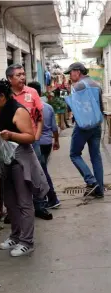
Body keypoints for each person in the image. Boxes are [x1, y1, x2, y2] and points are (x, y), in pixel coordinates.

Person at [0, 79, 49, 257]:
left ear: (2, 96)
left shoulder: (19, 110)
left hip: (20, 161)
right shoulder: (3, 109)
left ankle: (27, 241)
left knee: (24, 202)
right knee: (10, 202)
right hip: (7, 160)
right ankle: (16, 235)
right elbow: (0, 134)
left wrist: (11, 135)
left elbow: (30, 137)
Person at [6, 64, 53, 220]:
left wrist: (37, 135)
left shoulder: (32, 92)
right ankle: (16, 210)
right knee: (15, 176)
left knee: (37, 173)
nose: (22, 77)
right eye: (18, 75)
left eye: (23, 74)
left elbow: (39, 116)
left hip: (31, 142)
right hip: (11, 143)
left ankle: (40, 206)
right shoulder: (5, 95)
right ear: (9, 79)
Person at [64, 62, 104, 198]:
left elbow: (73, 108)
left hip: (83, 126)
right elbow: (100, 106)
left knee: (74, 154)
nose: (70, 75)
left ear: (77, 72)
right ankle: (100, 191)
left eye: (71, 72)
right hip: (97, 125)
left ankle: (91, 181)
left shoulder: (77, 86)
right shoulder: (96, 85)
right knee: (96, 157)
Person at [28, 81, 61, 209]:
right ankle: (43, 199)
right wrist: (56, 141)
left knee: (41, 172)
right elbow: (54, 128)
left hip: (36, 143)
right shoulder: (48, 107)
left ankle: (52, 198)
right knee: (41, 170)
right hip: (46, 143)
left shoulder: (28, 107)